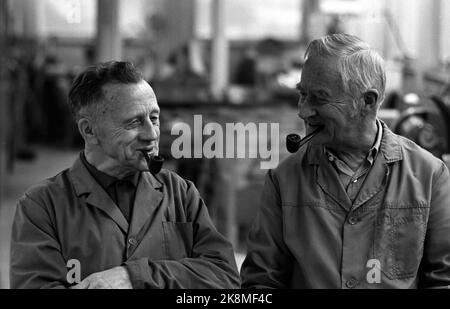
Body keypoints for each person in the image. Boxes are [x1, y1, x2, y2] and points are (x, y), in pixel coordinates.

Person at [240, 34, 450, 289]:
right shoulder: (284, 180)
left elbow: (443, 280)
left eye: (319, 98)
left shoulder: (430, 175)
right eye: (302, 95)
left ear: (367, 101)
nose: (303, 111)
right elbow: (261, 283)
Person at [10, 61, 240, 289]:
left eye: (154, 118)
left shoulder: (181, 194)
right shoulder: (42, 206)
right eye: (134, 122)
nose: (151, 134)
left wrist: (134, 277)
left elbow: (224, 275)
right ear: (89, 130)